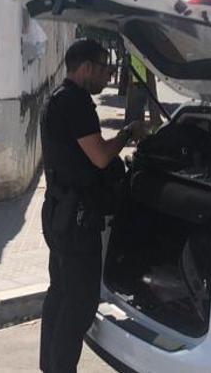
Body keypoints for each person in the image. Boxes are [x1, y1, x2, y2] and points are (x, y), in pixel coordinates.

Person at [39, 39, 148, 373]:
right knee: (81, 303)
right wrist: (128, 134)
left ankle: (50, 367)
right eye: (104, 68)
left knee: (60, 292)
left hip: (58, 211)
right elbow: (100, 157)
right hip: (76, 220)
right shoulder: (75, 102)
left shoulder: (56, 98)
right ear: (85, 67)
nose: (108, 75)